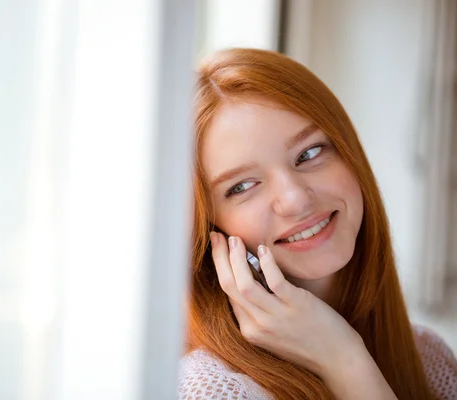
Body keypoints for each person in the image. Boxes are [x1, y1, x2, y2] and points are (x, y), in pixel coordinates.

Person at [178, 48, 457, 400]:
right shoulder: (212, 389)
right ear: (209, 231)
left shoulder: (430, 359)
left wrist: (343, 356)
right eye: (242, 187)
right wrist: (345, 362)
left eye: (308, 154)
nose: (295, 199)